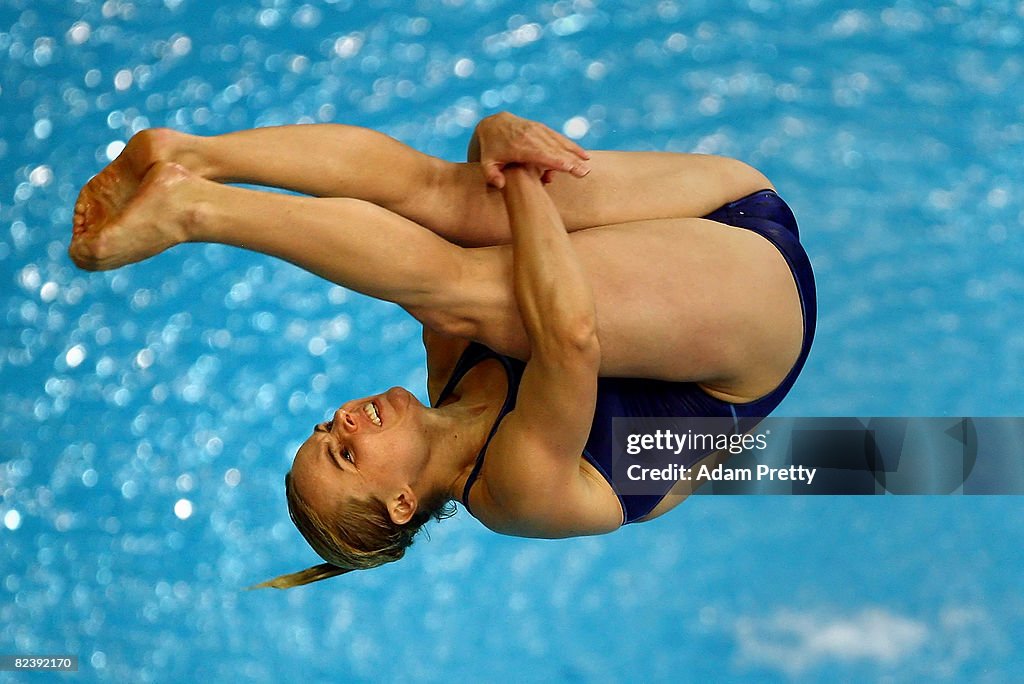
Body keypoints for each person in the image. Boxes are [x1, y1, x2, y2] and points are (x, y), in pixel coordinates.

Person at [70, 112, 816, 588]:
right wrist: (513, 161)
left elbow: (437, 201)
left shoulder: (447, 363)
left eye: (324, 431)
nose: (342, 420)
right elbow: (572, 337)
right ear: (402, 503)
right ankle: (193, 208)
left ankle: (193, 155)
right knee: (469, 287)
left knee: (447, 199)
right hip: (760, 320)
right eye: (344, 455)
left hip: (735, 203)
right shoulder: (513, 492)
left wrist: (491, 156)